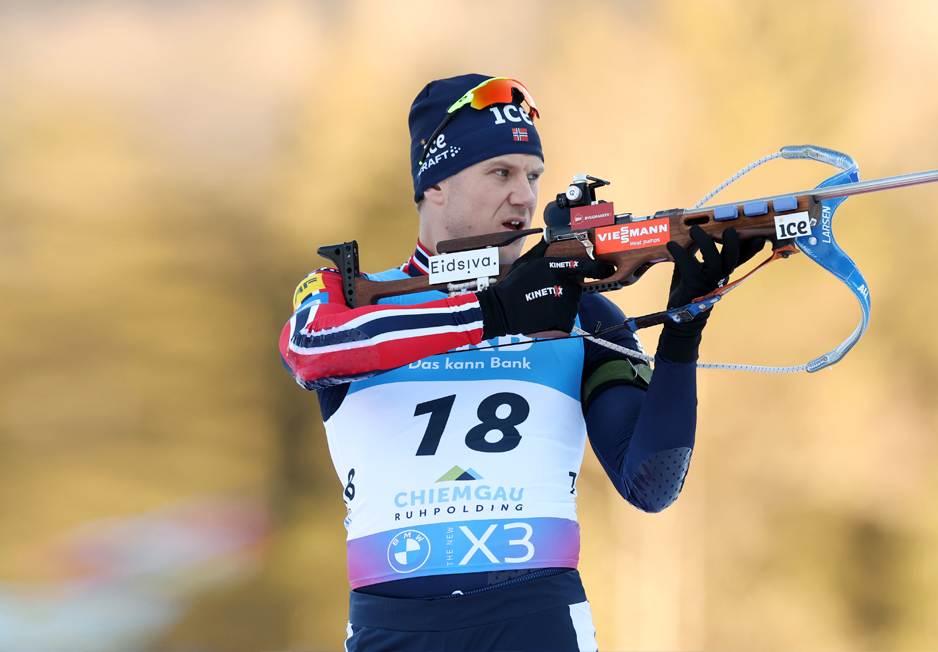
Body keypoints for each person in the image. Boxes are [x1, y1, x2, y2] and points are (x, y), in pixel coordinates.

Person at [279, 74, 761, 652]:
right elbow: (309, 351)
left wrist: (683, 330)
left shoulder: (579, 310)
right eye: (501, 173)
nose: (525, 197)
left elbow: (652, 483)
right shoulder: (353, 299)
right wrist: (496, 313)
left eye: (532, 176)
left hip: (535, 620)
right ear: (436, 184)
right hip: (394, 628)